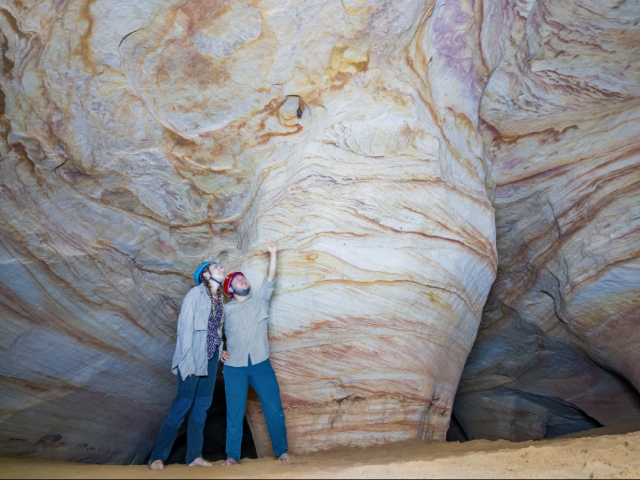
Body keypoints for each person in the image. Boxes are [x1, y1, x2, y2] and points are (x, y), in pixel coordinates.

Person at [148, 261, 232, 470]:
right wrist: (187, 360)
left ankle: (194, 456)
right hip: (193, 358)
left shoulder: (219, 299)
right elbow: (184, 329)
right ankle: (157, 457)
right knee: (182, 404)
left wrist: (219, 348)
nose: (221, 269)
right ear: (205, 275)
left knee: (202, 407)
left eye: (221, 267)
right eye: (216, 267)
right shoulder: (195, 295)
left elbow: (214, 330)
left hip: (210, 360)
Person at [220, 235, 290, 466]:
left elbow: (270, 278)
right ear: (230, 289)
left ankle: (281, 451)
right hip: (234, 368)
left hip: (261, 364)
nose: (243, 280)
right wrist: (220, 349)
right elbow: (211, 331)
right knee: (235, 412)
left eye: (244, 278)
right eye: (237, 280)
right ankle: (232, 456)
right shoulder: (225, 310)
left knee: (273, 408)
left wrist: (272, 253)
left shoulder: (260, 299)